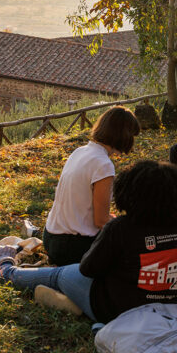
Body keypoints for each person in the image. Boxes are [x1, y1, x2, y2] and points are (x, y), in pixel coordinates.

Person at [0, 160, 177, 322]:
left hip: (119, 309)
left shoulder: (120, 227)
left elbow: (88, 269)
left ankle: (6, 272)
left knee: (63, 273)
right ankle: (68, 301)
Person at [42, 106, 140, 266]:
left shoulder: (79, 152)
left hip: (50, 236)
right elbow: (100, 221)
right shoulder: (103, 164)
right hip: (72, 246)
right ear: (124, 135)